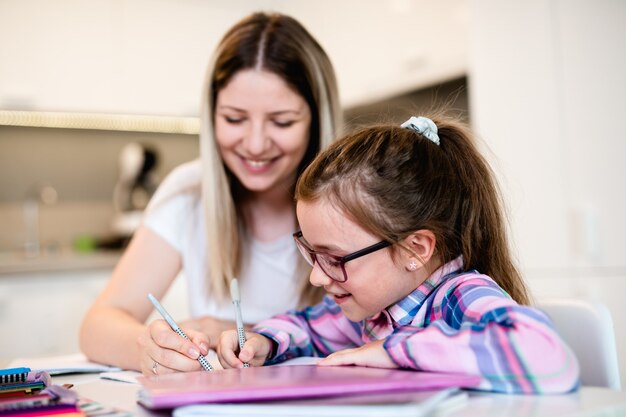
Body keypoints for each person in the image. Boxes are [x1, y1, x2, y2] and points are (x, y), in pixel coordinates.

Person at [217, 114, 580, 394]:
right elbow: (308, 328)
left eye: (335, 258)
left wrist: (390, 351)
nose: (316, 276)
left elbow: (546, 355)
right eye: (311, 253)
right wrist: (263, 342)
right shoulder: (373, 307)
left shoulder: (459, 295)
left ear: (414, 249)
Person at [79, 11, 342, 375]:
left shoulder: (357, 200)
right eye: (234, 119)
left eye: (282, 121)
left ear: (316, 119)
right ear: (212, 113)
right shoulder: (188, 192)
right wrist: (152, 349)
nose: (254, 144)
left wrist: (260, 336)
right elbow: (98, 326)